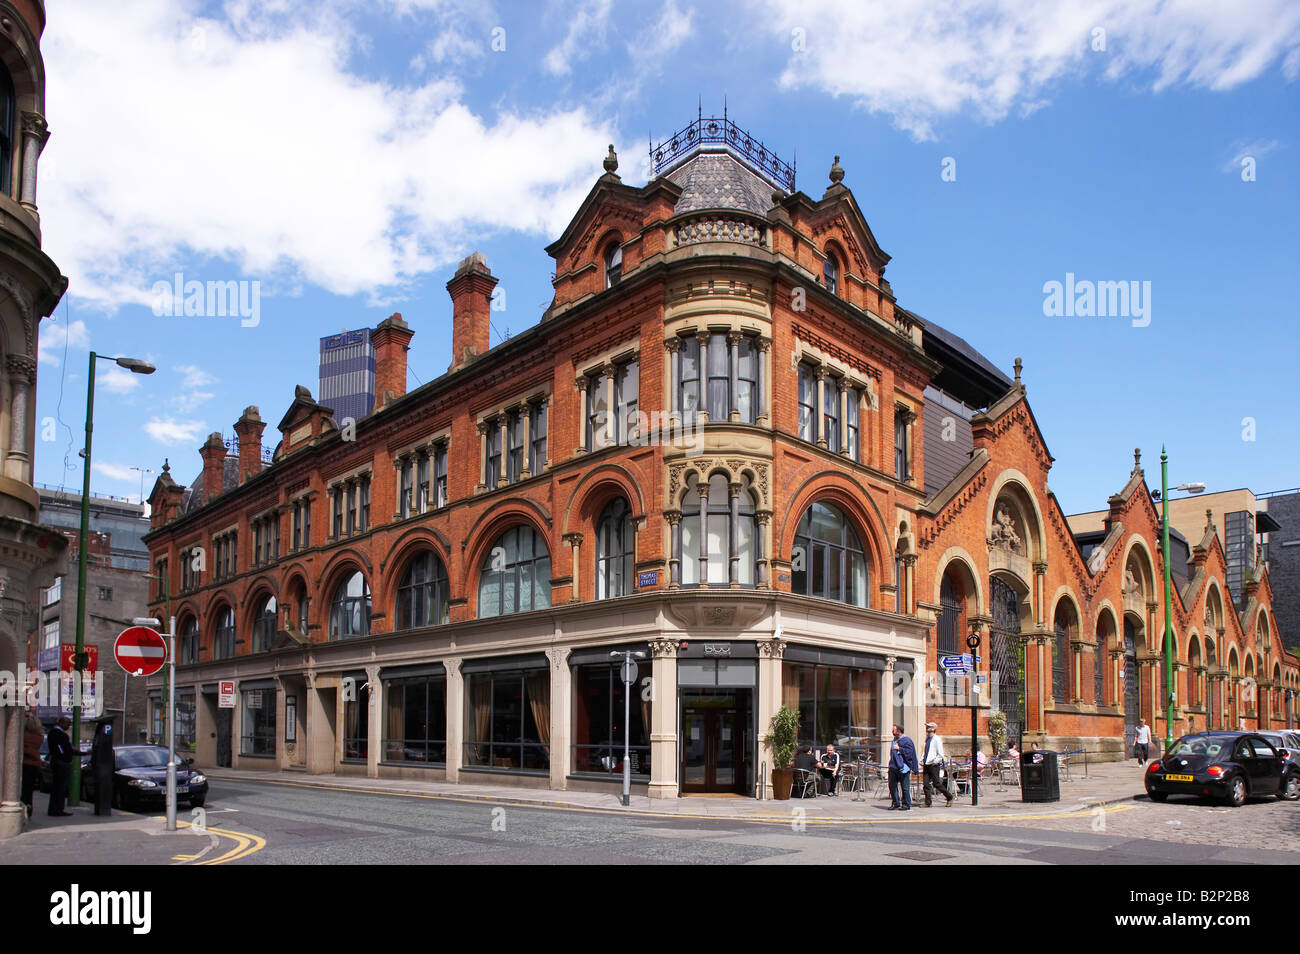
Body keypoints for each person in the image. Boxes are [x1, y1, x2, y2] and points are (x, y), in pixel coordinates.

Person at [46, 716, 74, 817]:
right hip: (61, 763)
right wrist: (70, 753)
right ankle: (57, 809)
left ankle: (55, 809)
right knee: (60, 787)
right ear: (61, 723)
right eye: (68, 723)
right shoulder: (59, 734)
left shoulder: (53, 733)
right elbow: (63, 749)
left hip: (57, 762)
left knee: (57, 787)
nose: (69, 726)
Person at [887, 724, 918, 811]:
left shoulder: (907, 740)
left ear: (899, 731)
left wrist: (899, 748)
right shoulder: (894, 740)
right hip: (893, 767)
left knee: (905, 787)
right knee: (892, 786)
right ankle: (895, 803)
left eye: (893, 730)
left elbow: (909, 753)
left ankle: (906, 804)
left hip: (903, 768)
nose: (892, 732)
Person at [921, 722, 951, 807]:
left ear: (934, 729)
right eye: (927, 727)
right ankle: (927, 802)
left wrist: (935, 762)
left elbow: (940, 754)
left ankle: (949, 797)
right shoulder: (927, 739)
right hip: (926, 764)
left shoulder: (937, 739)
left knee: (936, 783)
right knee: (926, 784)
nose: (927, 728)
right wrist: (922, 759)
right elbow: (925, 751)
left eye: (929, 727)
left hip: (934, 765)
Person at [21, 715, 44, 817]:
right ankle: (29, 808)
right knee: (29, 789)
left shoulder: (23, 735)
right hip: (35, 764)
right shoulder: (40, 737)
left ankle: (23, 807)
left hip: (25, 763)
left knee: (23, 788)